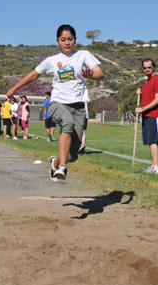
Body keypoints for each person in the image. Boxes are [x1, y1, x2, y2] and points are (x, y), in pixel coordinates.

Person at [7, 24, 104, 181]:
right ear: (57, 41)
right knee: (67, 123)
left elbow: (100, 73)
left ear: (75, 40)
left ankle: (56, 162)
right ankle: (62, 168)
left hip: (78, 107)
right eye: (63, 39)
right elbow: (33, 75)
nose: (67, 43)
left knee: (72, 154)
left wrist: (91, 76)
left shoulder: (83, 55)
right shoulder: (52, 60)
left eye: (70, 39)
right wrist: (14, 89)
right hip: (58, 103)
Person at [135, 58, 158, 175]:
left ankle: (156, 168)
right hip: (147, 116)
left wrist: (142, 109)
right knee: (150, 141)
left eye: (149, 67)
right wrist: (140, 92)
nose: (147, 69)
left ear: (153, 67)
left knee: (154, 141)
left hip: (154, 115)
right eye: (145, 67)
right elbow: (148, 96)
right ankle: (153, 165)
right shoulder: (146, 82)